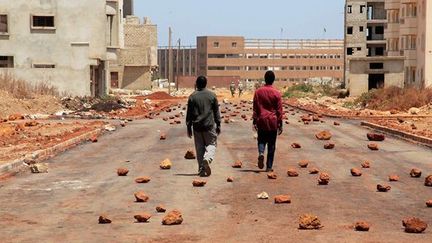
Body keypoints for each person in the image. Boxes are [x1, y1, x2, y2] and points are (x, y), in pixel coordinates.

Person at [186, 76, 221, 177]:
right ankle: (208, 159)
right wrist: (218, 124)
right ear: (206, 84)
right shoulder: (212, 95)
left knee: (200, 149)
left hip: (197, 127)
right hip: (209, 126)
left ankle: (201, 169)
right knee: (212, 145)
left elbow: (189, 113)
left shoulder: (192, 96)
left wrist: (188, 127)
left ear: (196, 84)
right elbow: (216, 111)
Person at [252, 71, 283, 172]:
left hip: (261, 120)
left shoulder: (258, 92)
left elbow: (255, 108)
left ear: (264, 79)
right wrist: (280, 123)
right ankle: (269, 167)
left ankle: (261, 153)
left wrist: (254, 121)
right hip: (272, 121)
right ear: (273, 80)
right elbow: (279, 110)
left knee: (261, 140)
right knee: (271, 144)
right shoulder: (276, 93)